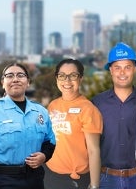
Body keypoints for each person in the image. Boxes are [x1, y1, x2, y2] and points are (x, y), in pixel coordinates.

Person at [0, 63, 56, 189]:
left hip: (35, 179)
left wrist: (44, 156)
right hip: (3, 179)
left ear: (28, 82)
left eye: (20, 75)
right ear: (2, 83)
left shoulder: (40, 111)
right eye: (9, 76)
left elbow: (50, 142)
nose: (15, 79)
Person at [92, 42, 136, 189]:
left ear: (135, 69)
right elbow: (90, 146)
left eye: (127, 67)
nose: (122, 73)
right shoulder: (96, 103)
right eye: (117, 68)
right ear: (110, 70)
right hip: (105, 179)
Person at [44, 59, 103, 189]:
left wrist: (94, 185)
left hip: (74, 180)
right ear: (57, 78)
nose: (67, 81)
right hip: (50, 175)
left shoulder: (88, 109)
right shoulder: (53, 105)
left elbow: (94, 151)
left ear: (80, 78)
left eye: (73, 76)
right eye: (62, 76)